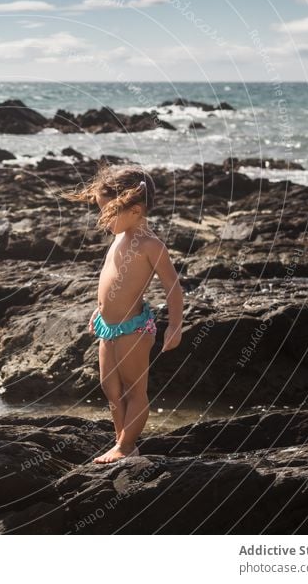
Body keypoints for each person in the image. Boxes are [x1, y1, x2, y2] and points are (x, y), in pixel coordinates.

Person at [65, 163, 183, 463]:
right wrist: (98, 309)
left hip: (134, 328)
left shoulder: (150, 245)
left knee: (134, 388)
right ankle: (123, 442)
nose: (103, 220)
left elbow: (173, 286)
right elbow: (109, 277)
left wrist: (175, 325)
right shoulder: (119, 237)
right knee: (110, 387)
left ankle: (126, 446)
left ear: (135, 210)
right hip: (108, 326)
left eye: (108, 212)